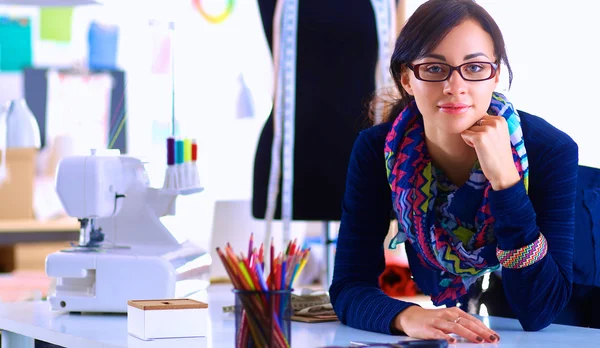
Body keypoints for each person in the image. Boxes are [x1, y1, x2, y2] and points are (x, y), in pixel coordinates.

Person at [329, 0, 579, 344]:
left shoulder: (550, 150)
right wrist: (405, 316)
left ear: (494, 75)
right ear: (407, 79)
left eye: (474, 68)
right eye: (434, 68)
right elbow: (347, 286)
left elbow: (538, 312)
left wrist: (506, 183)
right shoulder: (378, 150)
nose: (455, 86)